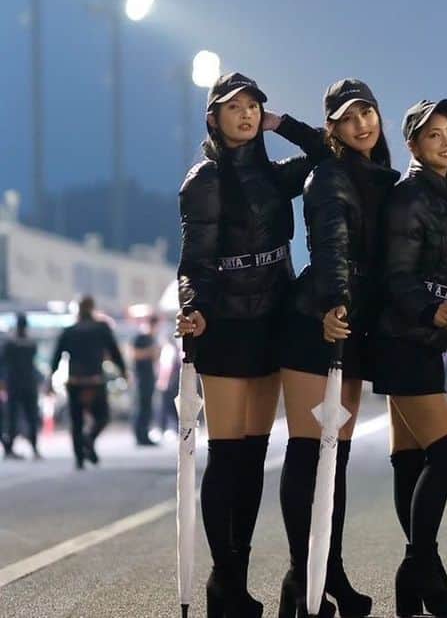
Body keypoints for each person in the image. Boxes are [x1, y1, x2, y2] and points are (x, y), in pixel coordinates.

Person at [175, 71, 328, 618]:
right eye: (232, 107)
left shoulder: (274, 174)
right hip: (226, 323)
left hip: (274, 318)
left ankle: (235, 580)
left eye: (252, 106)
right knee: (228, 454)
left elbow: (328, 151)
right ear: (213, 118)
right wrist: (193, 307)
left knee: (256, 453)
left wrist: (283, 124)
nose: (244, 114)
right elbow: (194, 261)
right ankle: (225, 579)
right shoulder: (205, 179)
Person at [278, 80, 398, 618]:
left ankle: (330, 572)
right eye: (348, 119)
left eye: (366, 113)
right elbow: (329, 246)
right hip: (318, 321)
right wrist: (334, 303)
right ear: (333, 129)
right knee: (311, 453)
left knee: (337, 459)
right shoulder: (328, 175)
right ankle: (300, 580)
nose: (361, 124)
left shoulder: (381, 175)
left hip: (355, 321)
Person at [373, 99, 447, 618]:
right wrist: (430, 307)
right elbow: (397, 274)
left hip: (425, 339)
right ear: (413, 144)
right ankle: (420, 567)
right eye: (434, 134)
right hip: (399, 337)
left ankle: (416, 580)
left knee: (410, 459)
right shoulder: (407, 197)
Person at [47, 297, 127, 470]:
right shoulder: (101, 328)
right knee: (102, 417)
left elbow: (56, 357)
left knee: (76, 421)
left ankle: (79, 458)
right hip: (95, 380)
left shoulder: (69, 331)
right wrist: (123, 371)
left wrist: (49, 381)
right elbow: (114, 352)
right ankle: (89, 439)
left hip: (75, 381)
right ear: (92, 308)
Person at [2, 313, 42, 460]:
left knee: (12, 417)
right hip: (29, 383)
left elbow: (3, 363)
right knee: (31, 417)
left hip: (14, 383)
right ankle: (34, 448)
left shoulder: (10, 344)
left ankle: (9, 449)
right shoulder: (31, 343)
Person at [131, 314, 161, 446]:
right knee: (142, 406)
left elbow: (155, 357)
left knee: (147, 406)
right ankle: (140, 434)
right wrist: (150, 351)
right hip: (141, 377)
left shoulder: (152, 338)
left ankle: (144, 433)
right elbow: (135, 354)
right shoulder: (141, 337)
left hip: (149, 376)